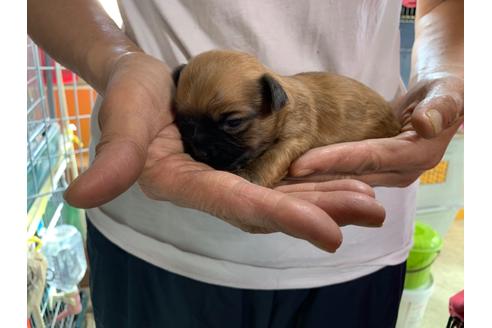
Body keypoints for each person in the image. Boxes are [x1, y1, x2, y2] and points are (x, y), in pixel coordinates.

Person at [28, 0, 464, 327]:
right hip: (154, 238)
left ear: (275, 102)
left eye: (231, 124)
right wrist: (117, 61)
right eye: (186, 121)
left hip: (359, 239)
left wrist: (446, 75)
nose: (198, 141)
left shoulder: (295, 113)